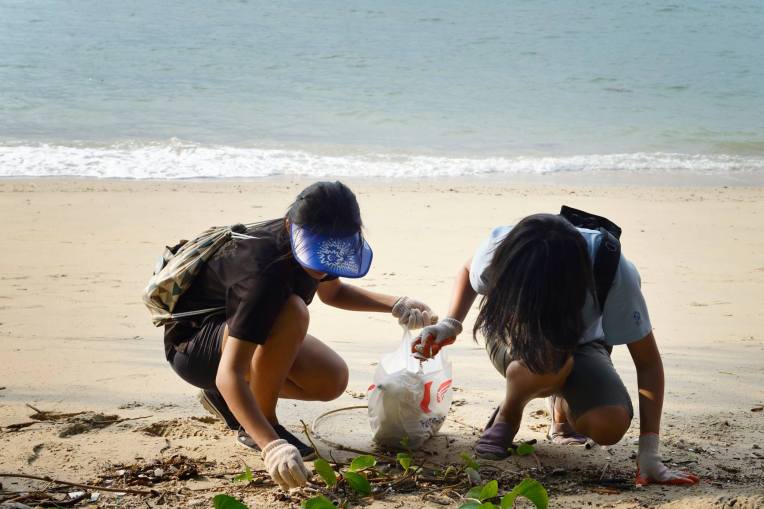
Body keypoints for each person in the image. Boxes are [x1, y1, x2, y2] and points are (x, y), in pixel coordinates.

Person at [163, 181, 435, 490]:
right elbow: (231, 373)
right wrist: (271, 446)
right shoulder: (263, 271)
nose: (324, 266)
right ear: (292, 226)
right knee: (292, 311)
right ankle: (258, 426)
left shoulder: (325, 241)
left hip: (237, 333)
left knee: (331, 378)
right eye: (320, 253)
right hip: (193, 347)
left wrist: (396, 303)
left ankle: (228, 402)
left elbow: (334, 292)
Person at [413, 213, 699, 486]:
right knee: (550, 362)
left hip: (583, 345)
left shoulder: (612, 270)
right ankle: (509, 412)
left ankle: (562, 406)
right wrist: (451, 324)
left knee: (609, 425)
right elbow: (468, 268)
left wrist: (649, 453)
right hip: (511, 337)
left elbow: (647, 362)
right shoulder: (507, 248)